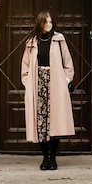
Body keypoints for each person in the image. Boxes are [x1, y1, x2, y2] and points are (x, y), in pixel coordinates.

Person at [21, 11, 75, 170]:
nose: (49, 25)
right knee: (41, 124)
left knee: (55, 123)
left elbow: (68, 63)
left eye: (51, 22)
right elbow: (25, 66)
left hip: (56, 85)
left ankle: (53, 158)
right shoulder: (31, 43)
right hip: (38, 85)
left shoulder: (59, 40)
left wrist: (65, 81)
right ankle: (45, 158)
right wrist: (27, 83)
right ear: (40, 23)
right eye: (46, 22)